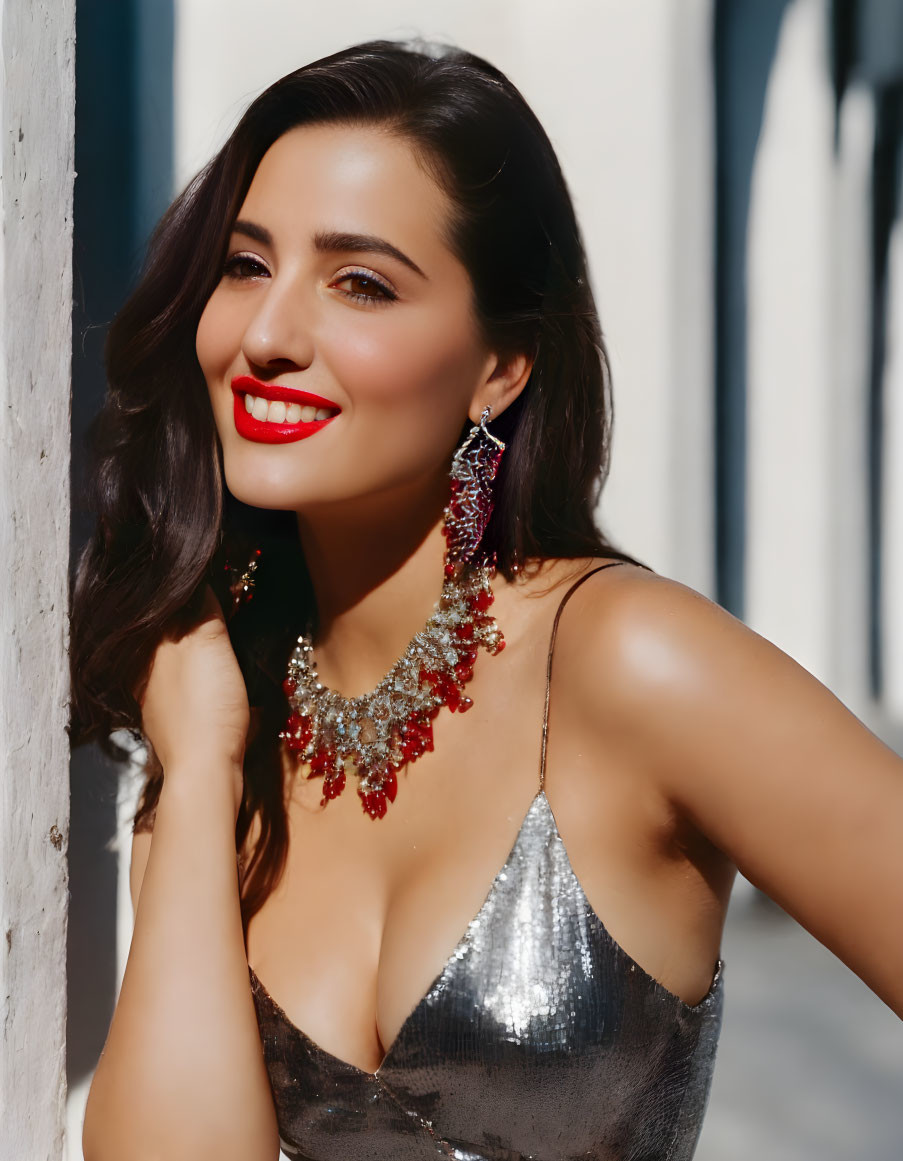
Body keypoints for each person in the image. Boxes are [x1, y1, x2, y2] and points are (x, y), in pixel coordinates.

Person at [70, 37, 902, 1161]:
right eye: (244, 265)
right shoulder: (223, 702)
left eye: (360, 282)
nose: (269, 335)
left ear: (499, 369)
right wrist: (205, 760)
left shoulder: (625, 661)